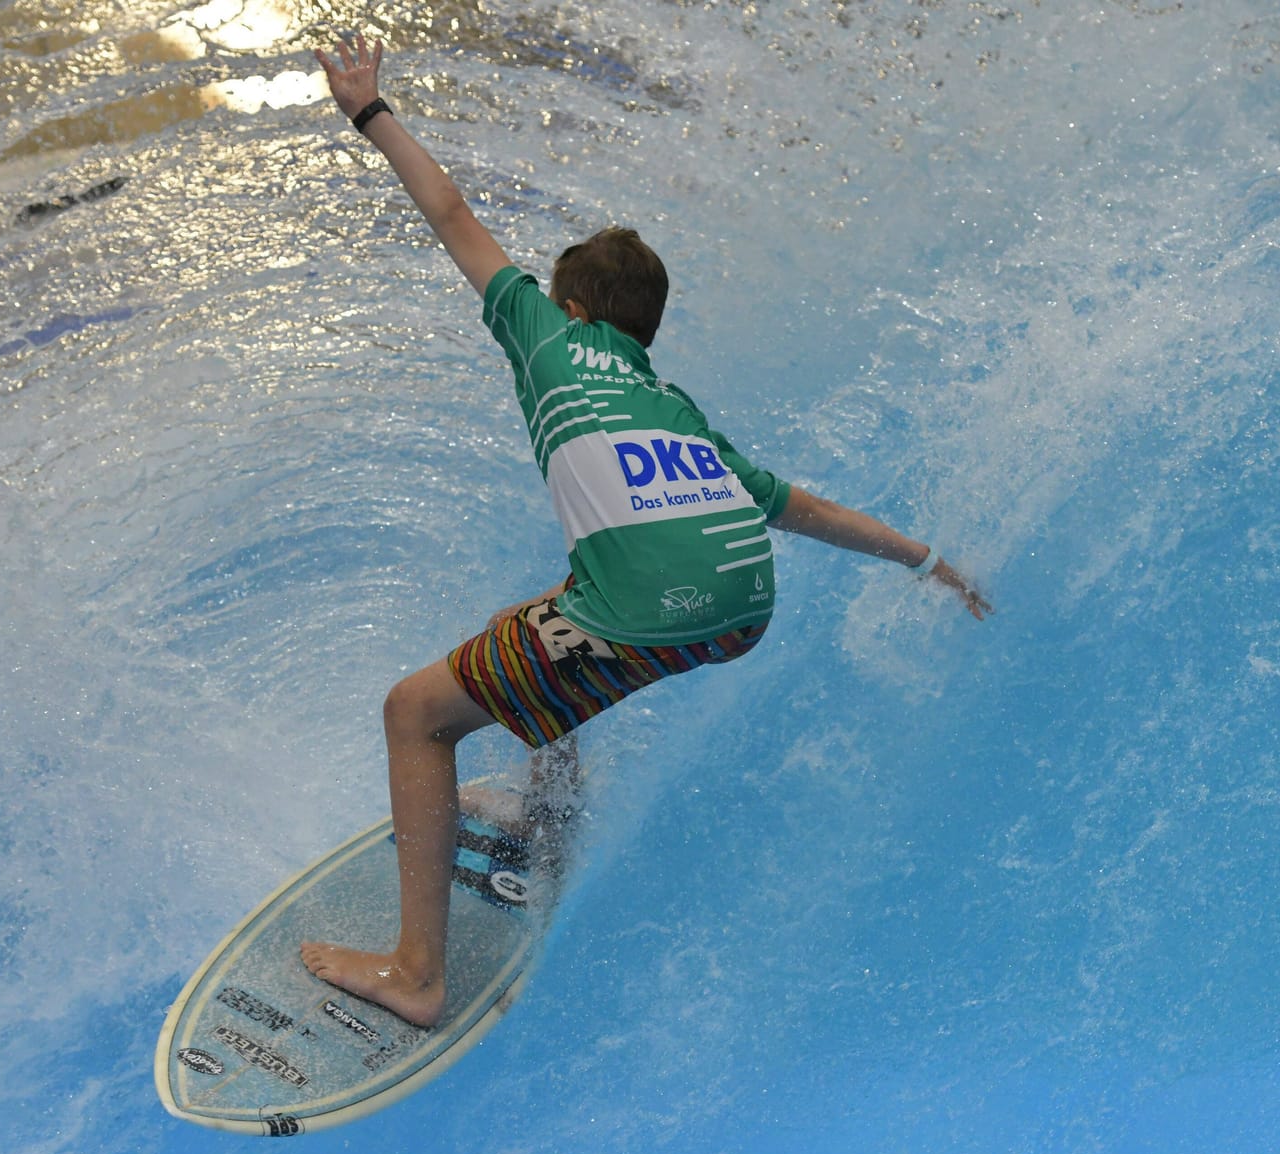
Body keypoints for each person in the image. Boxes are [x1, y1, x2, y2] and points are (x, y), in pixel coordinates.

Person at [300, 34, 993, 1028]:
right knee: (532, 623)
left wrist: (369, 109)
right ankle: (549, 811)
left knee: (417, 712)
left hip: (650, 606)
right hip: (741, 607)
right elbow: (809, 511)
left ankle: (417, 975)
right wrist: (927, 560)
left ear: (572, 304)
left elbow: (452, 213)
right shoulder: (678, 410)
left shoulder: (546, 331)